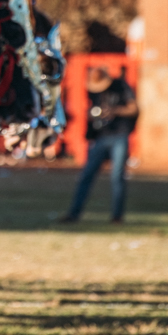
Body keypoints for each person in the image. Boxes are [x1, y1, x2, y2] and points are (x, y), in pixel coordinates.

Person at [62, 65, 138, 223]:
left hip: (119, 135)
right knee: (86, 175)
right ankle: (74, 213)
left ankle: (117, 216)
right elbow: (91, 110)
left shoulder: (121, 86)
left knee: (117, 177)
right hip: (101, 136)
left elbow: (133, 109)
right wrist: (92, 115)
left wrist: (114, 111)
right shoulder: (93, 91)